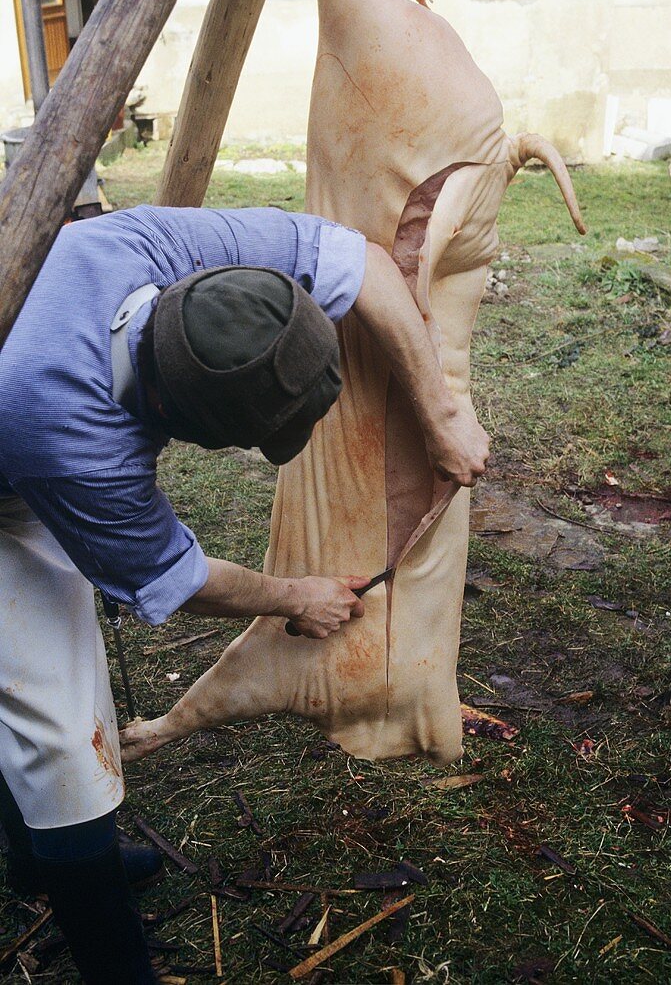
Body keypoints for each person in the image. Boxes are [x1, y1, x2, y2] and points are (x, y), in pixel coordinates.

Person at [0, 204, 490, 982]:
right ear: (173, 418)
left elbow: (361, 260)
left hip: (32, 413)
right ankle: (103, 947)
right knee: (60, 737)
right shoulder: (69, 436)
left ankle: (36, 858)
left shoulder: (151, 244)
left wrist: (440, 412)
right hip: (11, 462)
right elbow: (177, 578)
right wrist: (295, 595)